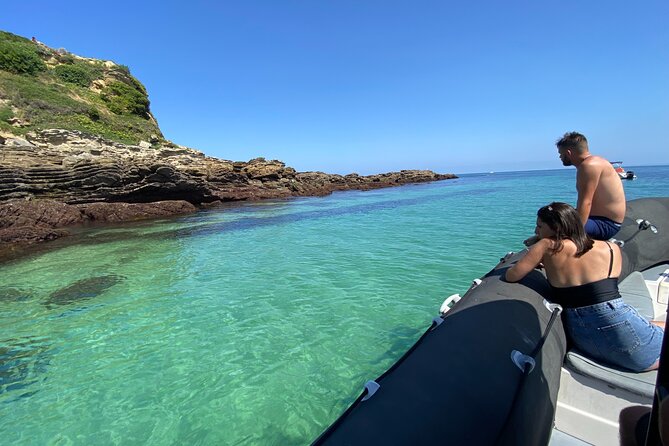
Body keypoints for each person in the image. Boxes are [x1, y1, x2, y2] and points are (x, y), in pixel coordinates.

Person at [506, 202, 663, 372]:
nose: (536, 231)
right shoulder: (612, 248)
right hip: (624, 332)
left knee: (654, 324)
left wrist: (538, 256)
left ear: (556, 227)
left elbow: (511, 275)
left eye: (539, 226)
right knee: (653, 325)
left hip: (583, 336)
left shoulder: (547, 246)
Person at [556, 131, 626, 240]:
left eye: (561, 153)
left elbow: (586, 202)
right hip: (599, 219)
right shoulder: (595, 162)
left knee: (554, 229)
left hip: (605, 224)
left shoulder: (589, 166)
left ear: (569, 153)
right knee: (551, 218)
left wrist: (577, 233)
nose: (560, 157)